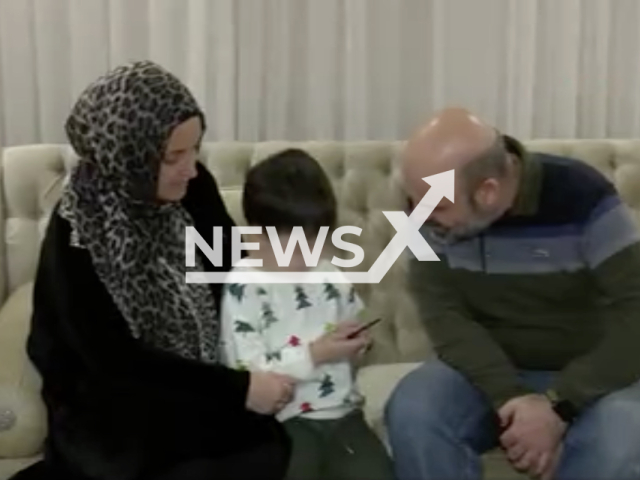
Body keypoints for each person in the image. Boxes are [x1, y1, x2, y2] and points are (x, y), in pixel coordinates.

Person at [11, 61, 294, 480]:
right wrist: (239, 390)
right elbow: (110, 361)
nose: (192, 168)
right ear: (129, 155)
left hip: (194, 387)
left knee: (268, 447)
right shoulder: (79, 227)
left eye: (196, 149)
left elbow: (235, 274)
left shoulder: (195, 189)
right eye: (173, 156)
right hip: (113, 402)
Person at [384, 107, 640, 480]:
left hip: (592, 378)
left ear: (487, 191)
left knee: (621, 437)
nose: (421, 218)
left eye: (437, 207)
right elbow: (444, 315)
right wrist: (512, 397)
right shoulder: (424, 207)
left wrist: (559, 407)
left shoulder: (581, 196)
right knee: (414, 406)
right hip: (488, 374)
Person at [219, 149, 394, 480]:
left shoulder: (329, 274)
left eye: (317, 243)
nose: (309, 257)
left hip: (345, 416)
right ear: (258, 232)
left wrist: (357, 344)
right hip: (284, 422)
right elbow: (250, 378)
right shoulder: (243, 287)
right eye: (296, 248)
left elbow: (352, 339)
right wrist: (315, 354)